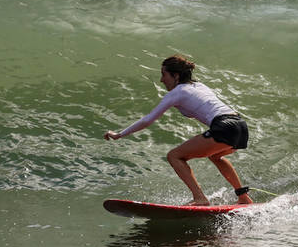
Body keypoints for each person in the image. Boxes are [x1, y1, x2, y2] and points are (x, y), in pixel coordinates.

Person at [104, 55, 253, 206]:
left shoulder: (177, 92)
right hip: (240, 125)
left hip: (224, 126)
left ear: (176, 75)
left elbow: (147, 120)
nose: (161, 80)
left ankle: (200, 198)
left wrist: (119, 134)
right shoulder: (199, 86)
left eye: (164, 74)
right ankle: (243, 196)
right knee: (215, 157)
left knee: (174, 156)